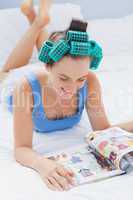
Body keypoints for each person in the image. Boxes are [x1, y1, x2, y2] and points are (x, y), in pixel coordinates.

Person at [0, 0, 110, 191]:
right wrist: (43, 165)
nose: (73, 89)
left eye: (80, 79)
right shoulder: (24, 89)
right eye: (64, 78)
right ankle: (36, 21)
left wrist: (70, 78)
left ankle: (38, 18)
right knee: (9, 70)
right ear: (47, 68)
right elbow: (21, 149)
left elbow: (104, 130)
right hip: (14, 81)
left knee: (61, 55)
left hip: (53, 71)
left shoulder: (90, 81)